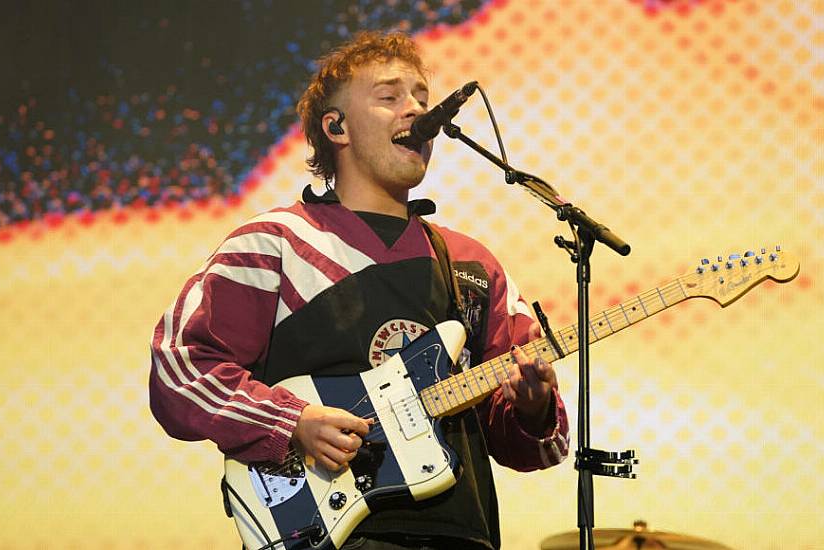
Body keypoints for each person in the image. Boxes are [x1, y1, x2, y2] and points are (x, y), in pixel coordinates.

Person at [149, 30, 569, 550]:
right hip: (326, 534)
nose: (416, 110)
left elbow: (542, 451)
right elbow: (180, 367)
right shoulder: (274, 243)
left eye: (420, 95)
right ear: (336, 126)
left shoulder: (472, 264)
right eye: (390, 97)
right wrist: (292, 420)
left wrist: (533, 407)